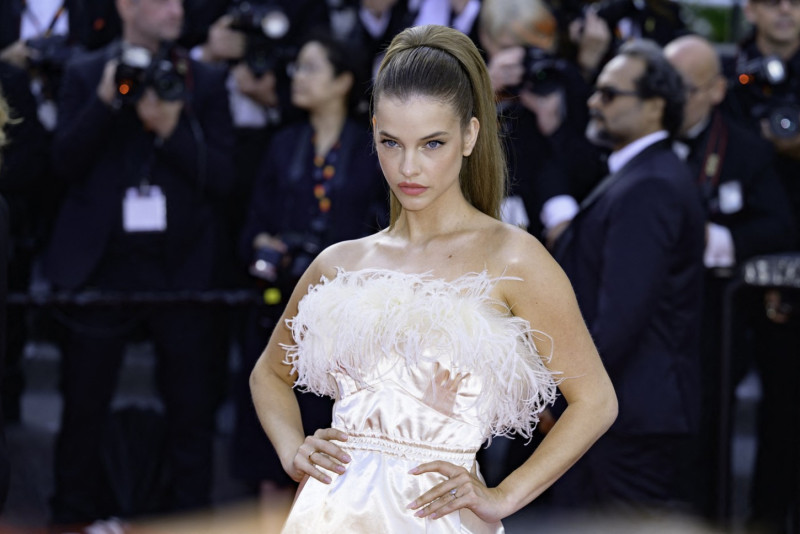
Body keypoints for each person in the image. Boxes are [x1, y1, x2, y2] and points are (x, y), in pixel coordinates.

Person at [249, 24, 618, 532]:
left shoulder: (514, 258)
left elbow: (595, 401)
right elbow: (268, 374)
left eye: (432, 143)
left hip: (440, 520)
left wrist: (505, 495)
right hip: (330, 514)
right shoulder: (340, 263)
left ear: (470, 135)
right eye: (391, 142)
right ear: (374, 132)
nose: (409, 167)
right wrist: (294, 450)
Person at [42, 0, 234, 524]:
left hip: (182, 267)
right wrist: (105, 101)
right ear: (126, 5)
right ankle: (72, 519)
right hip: (101, 266)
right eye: (162, 0)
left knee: (191, 413)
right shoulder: (86, 72)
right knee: (83, 408)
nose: (176, 10)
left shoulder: (204, 80)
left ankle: (191, 521)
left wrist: (171, 128)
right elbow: (62, 164)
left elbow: (223, 178)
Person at [549, 39, 706, 513]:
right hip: (624, 410)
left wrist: (566, 401)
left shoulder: (650, 185)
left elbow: (621, 318)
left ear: (655, 106)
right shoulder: (642, 174)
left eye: (610, 94)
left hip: (629, 416)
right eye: (596, 91)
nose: (593, 103)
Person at [232, 30, 387, 495]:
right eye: (297, 67)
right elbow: (252, 224)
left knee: (331, 447)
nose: (298, 76)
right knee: (268, 448)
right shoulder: (283, 143)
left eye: (311, 67)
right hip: (279, 310)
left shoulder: (372, 148)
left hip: (347, 324)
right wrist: (264, 242)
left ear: (343, 81)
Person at [664, 33, 795, 521]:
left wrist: (715, 240)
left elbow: (779, 225)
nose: (673, 100)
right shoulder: (635, 134)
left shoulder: (746, 150)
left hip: (714, 318)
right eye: (665, 86)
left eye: (685, 89)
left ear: (716, 91)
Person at [721, 0, 800, 529]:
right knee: (716, 391)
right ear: (750, 8)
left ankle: (770, 517)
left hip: (793, 261)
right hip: (732, 255)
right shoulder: (729, 75)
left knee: (787, 403)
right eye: (773, 0)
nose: (786, 11)